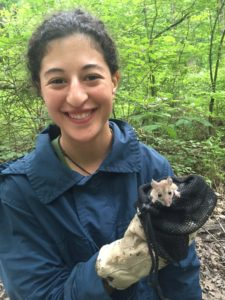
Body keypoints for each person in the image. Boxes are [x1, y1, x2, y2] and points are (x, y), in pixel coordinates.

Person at [0, 8, 202, 300]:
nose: (77, 96)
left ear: (114, 81)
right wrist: (113, 268)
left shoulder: (151, 167)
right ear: (40, 89)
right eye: (57, 80)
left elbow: (180, 272)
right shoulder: (17, 192)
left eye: (91, 77)